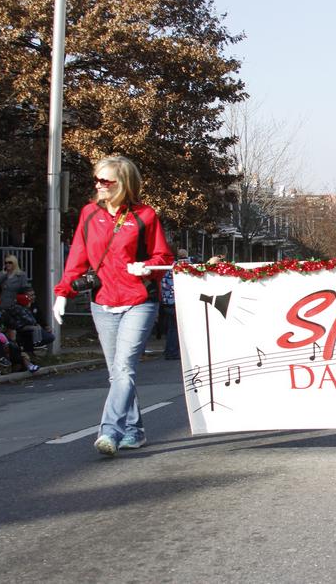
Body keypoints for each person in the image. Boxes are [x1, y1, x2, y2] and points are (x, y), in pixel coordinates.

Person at [53, 155, 173, 457]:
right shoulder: (89, 214)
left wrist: (146, 267)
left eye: (106, 180)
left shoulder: (145, 215)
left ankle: (109, 431)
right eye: (97, 179)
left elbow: (164, 257)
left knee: (124, 368)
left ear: (124, 184)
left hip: (139, 299)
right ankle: (134, 430)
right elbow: (77, 256)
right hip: (102, 300)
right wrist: (63, 292)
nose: (99, 185)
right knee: (117, 373)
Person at [160, 248, 190, 360]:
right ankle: (173, 351)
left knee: (171, 328)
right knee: (176, 328)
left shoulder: (164, 267)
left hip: (167, 301)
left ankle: (169, 350)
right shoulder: (182, 266)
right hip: (177, 300)